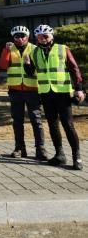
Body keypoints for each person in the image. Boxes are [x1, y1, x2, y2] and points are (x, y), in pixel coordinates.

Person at [24, 24, 84, 170]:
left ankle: (77, 157)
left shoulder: (62, 49)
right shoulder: (34, 52)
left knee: (68, 124)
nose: (43, 39)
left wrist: (79, 89)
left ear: (51, 36)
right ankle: (59, 155)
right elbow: (31, 72)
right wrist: (27, 64)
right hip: (46, 93)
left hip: (62, 93)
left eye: (45, 36)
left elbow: (74, 68)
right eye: (40, 37)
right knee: (52, 125)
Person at [0, 26, 47, 161]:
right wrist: (6, 51)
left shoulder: (35, 49)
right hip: (15, 90)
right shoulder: (9, 49)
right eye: (17, 36)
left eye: (22, 36)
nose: (20, 39)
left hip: (32, 89)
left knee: (36, 120)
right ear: (13, 38)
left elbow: (42, 68)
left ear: (27, 36)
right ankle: (19, 148)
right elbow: (3, 66)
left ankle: (40, 148)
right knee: (17, 121)